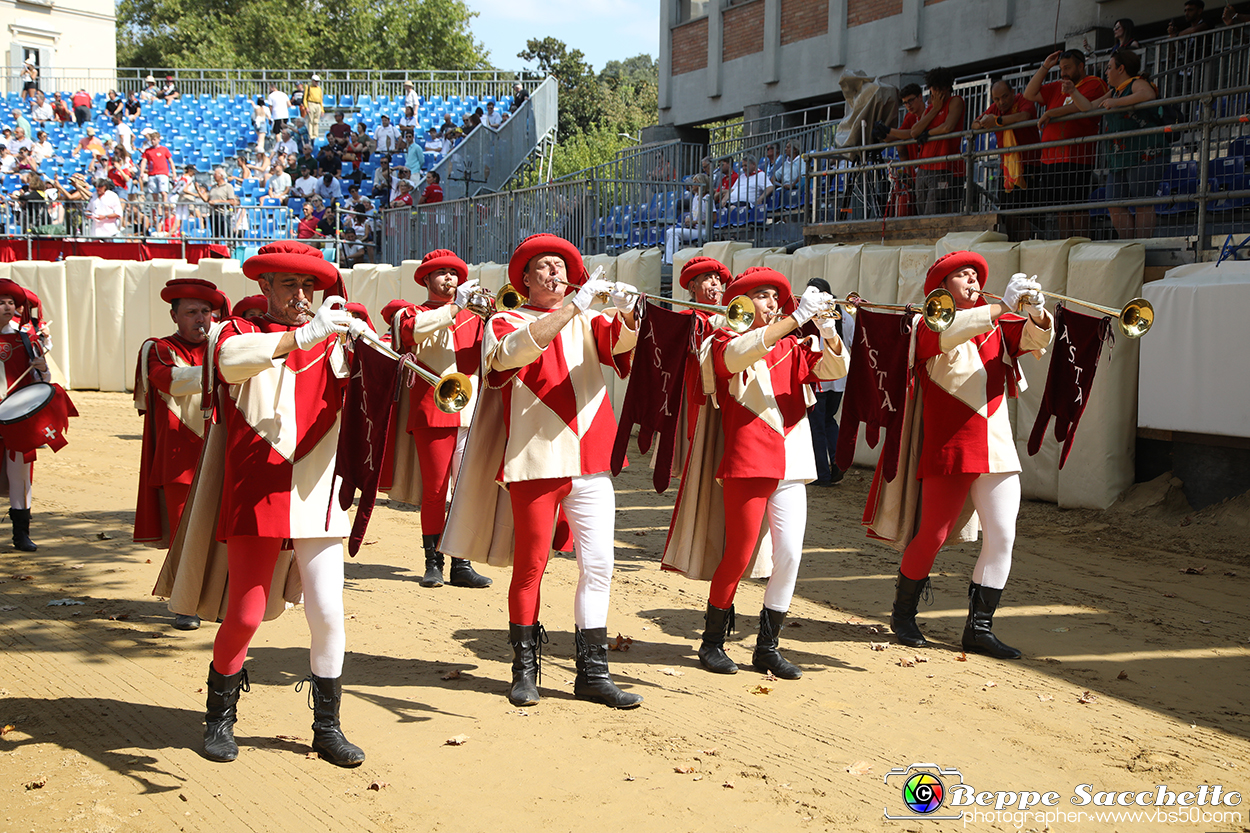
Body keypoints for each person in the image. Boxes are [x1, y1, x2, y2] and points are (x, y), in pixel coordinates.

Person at [175, 241, 370, 766]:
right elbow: (231, 364)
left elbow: (364, 396)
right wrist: (303, 336)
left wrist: (360, 344)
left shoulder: (332, 337)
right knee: (246, 613)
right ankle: (219, 717)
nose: (302, 295)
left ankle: (326, 728)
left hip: (318, 486)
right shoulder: (237, 331)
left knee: (329, 613)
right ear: (265, 287)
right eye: (289, 284)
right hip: (259, 485)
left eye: (310, 286)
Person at [440, 233, 642, 710]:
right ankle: (524, 671)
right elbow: (511, 354)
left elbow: (622, 352)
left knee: (599, 567)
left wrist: (631, 312)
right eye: (544, 267)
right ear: (525, 278)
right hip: (534, 461)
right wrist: (576, 305)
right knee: (531, 568)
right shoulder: (506, 318)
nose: (555, 272)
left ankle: (592, 673)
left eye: (560, 265)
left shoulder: (592, 317)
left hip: (591, 459)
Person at [884, 252, 1052, 660]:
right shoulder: (928, 321)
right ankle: (903, 614)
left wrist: (1037, 313)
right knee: (934, 535)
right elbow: (946, 334)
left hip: (995, 442)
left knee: (1003, 536)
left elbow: (1035, 341)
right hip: (952, 445)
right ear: (942, 286)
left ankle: (979, 629)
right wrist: (1002, 307)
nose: (973, 279)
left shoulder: (993, 320)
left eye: (976, 273)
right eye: (962, 274)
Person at [684, 269, 847, 679]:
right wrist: (795, 320)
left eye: (776, 296)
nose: (772, 302)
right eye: (761, 295)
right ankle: (712, 642)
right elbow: (737, 357)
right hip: (748, 460)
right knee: (738, 555)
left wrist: (828, 330)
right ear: (740, 303)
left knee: (790, 554)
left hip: (791, 459)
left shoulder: (794, 343)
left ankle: (766, 646)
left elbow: (834, 369)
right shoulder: (721, 340)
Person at [390, 251, 493, 588]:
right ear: (426, 280)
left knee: (463, 491)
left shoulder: (474, 315)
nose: (449, 278)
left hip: (469, 411)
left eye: (454, 273)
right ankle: (432, 561)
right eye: (442, 273)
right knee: (435, 491)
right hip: (433, 412)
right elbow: (410, 333)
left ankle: (460, 563)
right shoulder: (413, 312)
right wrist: (456, 307)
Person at [134, 278, 225, 629]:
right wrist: (221, 368)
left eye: (206, 312)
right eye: (191, 312)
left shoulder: (222, 347)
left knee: (217, 531)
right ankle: (184, 604)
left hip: (218, 451)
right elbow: (170, 381)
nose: (200, 319)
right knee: (184, 534)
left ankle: (211, 599)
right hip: (180, 456)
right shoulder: (158, 348)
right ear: (175, 316)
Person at [1024, 49, 1108, 237]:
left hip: (1075, 156)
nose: (1063, 72)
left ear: (1081, 66)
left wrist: (1050, 113)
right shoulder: (1058, 86)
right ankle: (1067, 243)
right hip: (1050, 158)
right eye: (1061, 68)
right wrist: (1046, 66)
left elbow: (1080, 108)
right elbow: (1029, 94)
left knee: (1076, 205)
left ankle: (1080, 243)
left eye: (1068, 67)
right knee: (1061, 208)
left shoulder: (1094, 83)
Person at [0, 278, 52, 551]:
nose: (7, 307)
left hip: (17, 418)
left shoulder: (25, 338)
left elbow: (42, 379)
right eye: (1, 302)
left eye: (11, 303)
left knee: (20, 475)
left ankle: (21, 534)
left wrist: (42, 367)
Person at [971, 80, 1041, 240]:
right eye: (996, 99)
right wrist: (985, 122)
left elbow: (1024, 116)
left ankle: (1023, 244)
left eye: (1004, 97)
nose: (1001, 102)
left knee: (1023, 211)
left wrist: (996, 121)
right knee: (1007, 210)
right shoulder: (995, 109)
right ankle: (1012, 243)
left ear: (1013, 92)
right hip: (1007, 169)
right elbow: (975, 124)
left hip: (1029, 164)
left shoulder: (1023, 100)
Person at [804, 278, 855, 487]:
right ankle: (837, 459)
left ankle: (821, 473)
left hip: (821, 378)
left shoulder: (811, 313)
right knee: (829, 420)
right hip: (839, 380)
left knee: (817, 425)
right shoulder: (845, 315)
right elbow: (852, 343)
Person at [909, 67, 966, 216]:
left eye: (939, 88)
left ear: (947, 87)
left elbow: (948, 127)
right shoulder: (930, 109)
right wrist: (934, 110)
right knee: (922, 212)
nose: (936, 93)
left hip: (943, 166)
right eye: (933, 89)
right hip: (924, 168)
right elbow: (914, 132)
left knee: (935, 212)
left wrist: (927, 133)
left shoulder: (956, 101)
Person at [758, 141, 806, 206]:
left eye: (788, 147)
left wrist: (792, 185)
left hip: (795, 188)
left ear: (795, 150)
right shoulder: (786, 163)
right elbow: (775, 176)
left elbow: (802, 175)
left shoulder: (801, 161)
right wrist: (781, 185)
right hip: (783, 188)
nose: (785, 149)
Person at [140, 132, 174, 202]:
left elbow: (170, 161)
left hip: (162, 173)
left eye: (154, 139)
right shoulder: (148, 151)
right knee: (154, 194)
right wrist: (142, 172)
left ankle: (164, 207)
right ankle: (157, 211)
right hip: (152, 174)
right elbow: (144, 161)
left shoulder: (164, 149)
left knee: (164, 192)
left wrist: (174, 173)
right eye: (152, 139)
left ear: (159, 140)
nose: (153, 141)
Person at [206, 167, 238, 239]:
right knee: (216, 235)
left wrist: (217, 202)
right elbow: (207, 199)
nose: (214, 176)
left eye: (216, 174)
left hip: (223, 214)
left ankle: (229, 247)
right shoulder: (213, 187)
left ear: (221, 176)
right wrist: (198, 191)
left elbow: (232, 201)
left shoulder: (228, 186)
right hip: (213, 214)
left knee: (227, 233)